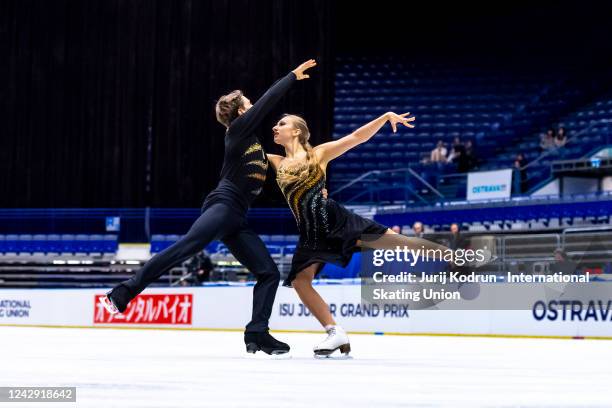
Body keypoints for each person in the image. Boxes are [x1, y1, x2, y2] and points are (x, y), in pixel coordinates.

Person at [99, 59, 318, 355]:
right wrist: (291, 76)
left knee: (268, 272)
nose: (253, 105)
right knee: (185, 248)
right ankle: (122, 293)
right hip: (222, 207)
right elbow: (268, 102)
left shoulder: (254, 146)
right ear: (241, 112)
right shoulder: (238, 132)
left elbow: (290, 174)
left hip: (237, 218)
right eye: (248, 103)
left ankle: (257, 333)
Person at [267, 112, 452, 357]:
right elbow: (240, 143)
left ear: (297, 131)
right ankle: (335, 332)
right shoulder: (275, 161)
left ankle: (453, 255)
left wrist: (385, 117)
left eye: (282, 124)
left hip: (337, 221)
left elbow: (356, 137)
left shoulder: (317, 154)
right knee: (301, 281)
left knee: (399, 243)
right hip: (311, 233)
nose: (274, 127)